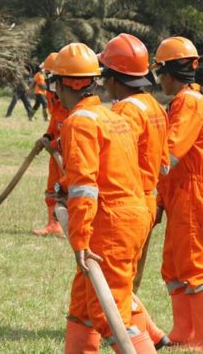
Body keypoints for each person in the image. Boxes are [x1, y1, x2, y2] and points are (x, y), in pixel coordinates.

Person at [50, 42, 155, 352]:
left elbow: (86, 186)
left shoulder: (79, 122)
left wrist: (79, 240)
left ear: (59, 85)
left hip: (110, 224)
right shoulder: (111, 117)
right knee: (84, 304)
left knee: (111, 312)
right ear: (94, 80)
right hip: (129, 215)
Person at [98, 33, 171, 349]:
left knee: (117, 282)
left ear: (114, 79)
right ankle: (154, 334)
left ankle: (139, 340)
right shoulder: (154, 106)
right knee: (125, 277)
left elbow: (113, 160)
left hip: (126, 203)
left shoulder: (125, 111)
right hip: (148, 199)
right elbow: (165, 163)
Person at [152, 36, 203, 348]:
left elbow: (170, 152)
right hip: (177, 192)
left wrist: (137, 170)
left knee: (193, 264)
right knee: (173, 265)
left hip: (192, 191)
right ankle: (184, 333)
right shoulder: (180, 102)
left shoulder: (190, 103)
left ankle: (199, 336)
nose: (160, 80)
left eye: (161, 73)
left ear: (170, 73)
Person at [33, 52, 68, 237]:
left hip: (69, 151)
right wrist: (48, 135)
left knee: (70, 188)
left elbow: (72, 126)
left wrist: (55, 143)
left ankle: (72, 225)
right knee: (52, 186)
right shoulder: (52, 94)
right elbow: (56, 119)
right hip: (55, 149)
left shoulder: (71, 96)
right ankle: (53, 224)